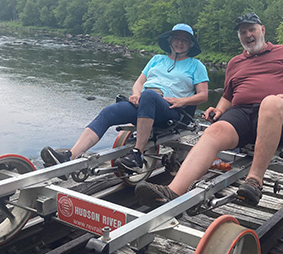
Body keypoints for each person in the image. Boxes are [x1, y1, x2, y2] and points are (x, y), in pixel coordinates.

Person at [134, 12, 283, 207]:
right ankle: (173, 190)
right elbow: (228, 97)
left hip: (280, 113)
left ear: (262, 30)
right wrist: (219, 109)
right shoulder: (235, 63)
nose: (248, 35)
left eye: (252, 29)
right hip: (243, 113)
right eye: (243, 32)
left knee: (270, 102)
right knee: (215, 131)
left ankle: (254, 181)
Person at [41, 23, 210, 170]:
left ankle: (137, 154)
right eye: (177, 38)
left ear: (190, 44)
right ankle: (70, 156)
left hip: (171, 110)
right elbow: (139, 82)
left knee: (149, 95)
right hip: (145, 103)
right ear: (170, 41)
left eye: (184, 40)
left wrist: (181, 101)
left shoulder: (196, 65)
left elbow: (203, 95)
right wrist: (136, 94)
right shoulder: (157, 59)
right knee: (109, 112)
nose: (180, 43)